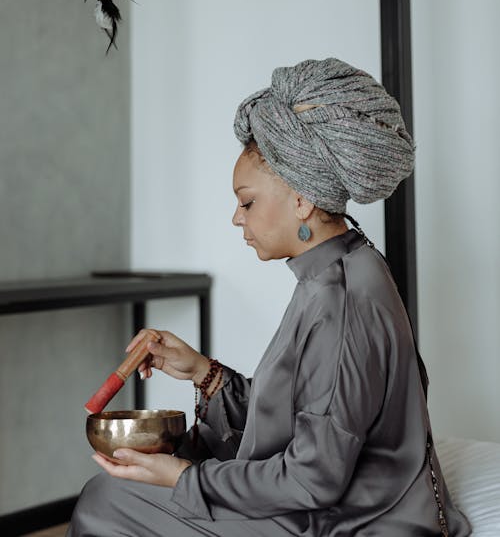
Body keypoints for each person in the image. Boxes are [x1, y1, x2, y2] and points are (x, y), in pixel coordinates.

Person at [67, 58, 471, 537]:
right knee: (121, 491)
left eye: (247, 201)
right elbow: (304, 417)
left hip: (351, 524)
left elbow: (312, 477)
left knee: (106, 499)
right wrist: (203, 372)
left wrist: (183, 478)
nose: (237, 219)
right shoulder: (341, 270)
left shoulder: (340, 301)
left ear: (301, 198)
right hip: (334, 507)